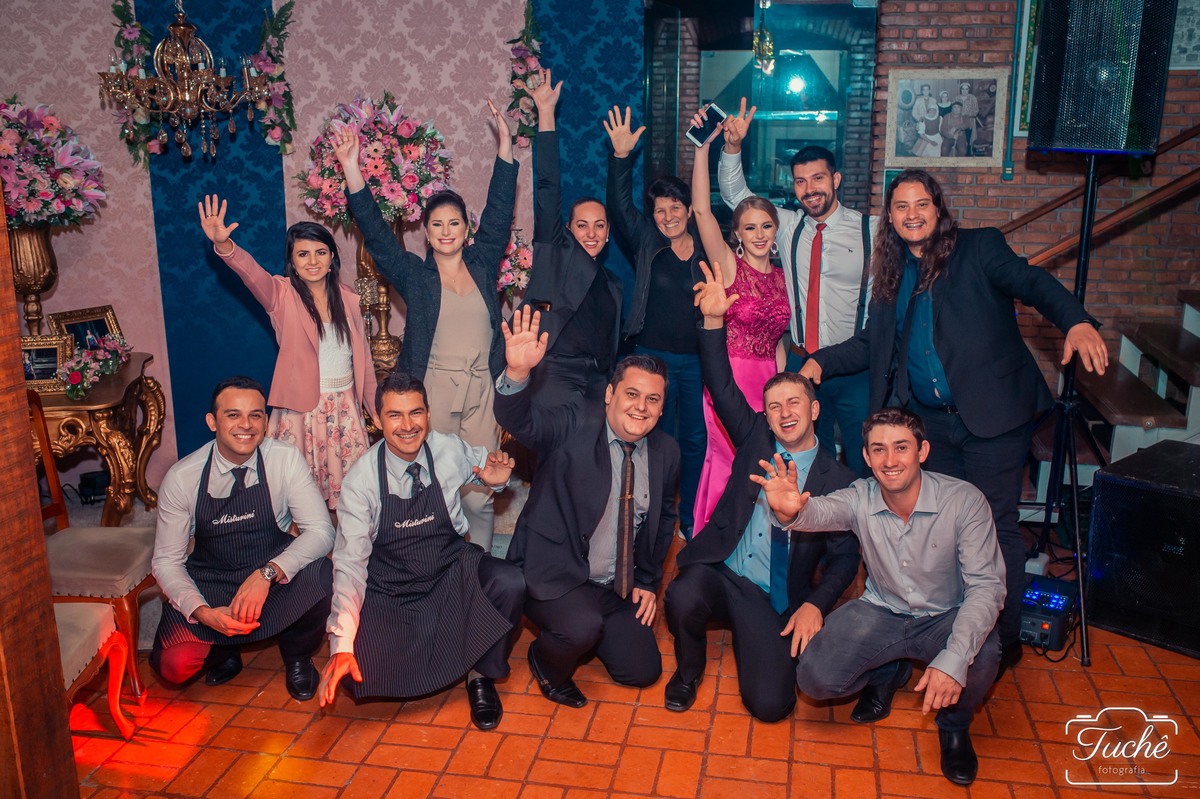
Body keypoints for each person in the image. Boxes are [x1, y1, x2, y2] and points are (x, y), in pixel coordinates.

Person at [800, 169, 1109, 678]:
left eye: (922, 204)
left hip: (993, 417)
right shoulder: (890, 273)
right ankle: (943, 626)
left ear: (938, 209)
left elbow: (1033, 283)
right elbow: (873, 343)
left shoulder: (979, 248)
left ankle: (1002, 639)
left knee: (995, 526)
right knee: (937, 527)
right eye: (901, 206)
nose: (912, 214)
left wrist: (1075, 320)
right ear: (889, 217)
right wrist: (820, 361)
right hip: (931, 425)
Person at [762, 407, 1004, 786]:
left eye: (901, 447)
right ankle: (890, 670)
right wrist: (790, 512)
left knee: (983, 655)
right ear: (866, 456)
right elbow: (821, 511)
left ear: (922, 451)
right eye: (879, 449)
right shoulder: (861, 496)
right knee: (814, 677)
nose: (890, 460)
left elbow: (987, 587)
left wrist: (954, 658)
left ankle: (954, 725)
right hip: (881, 611)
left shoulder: (964, 501)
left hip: (946, 616)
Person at [662, 260, 859, 722]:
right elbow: (719, 382)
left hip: (771, 594)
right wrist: (713, 321)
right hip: (724, 568)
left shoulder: (840, 480)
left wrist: (815, 604)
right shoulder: (754, 438)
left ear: (814, 410)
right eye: (774, 407)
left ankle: (751, 638)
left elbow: (845, 560)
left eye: (794, 403)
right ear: (765, 416)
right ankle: (688, 670)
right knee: (682, 596)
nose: (784, 413)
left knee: (771, 705)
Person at [335, 100, 517, 553]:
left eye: (455, 222)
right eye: (438, 224)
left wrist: (506, 146)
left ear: (466, 229)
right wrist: (352, 168)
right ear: (427, 232)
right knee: (432, 485)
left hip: (482, 393)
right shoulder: (415, 276)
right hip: (431, 393)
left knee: (479, 490)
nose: (447, 230)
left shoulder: (482, 262)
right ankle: (433, 563)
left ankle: (476, 570)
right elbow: (377, 235)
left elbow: (499, 211)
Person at [496, 306, 680, 708]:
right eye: (632, 394)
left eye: (653, 399)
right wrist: (517, 374)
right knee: (580, 628)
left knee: (642, 671)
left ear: (662, 407)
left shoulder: (665, 451)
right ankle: (546, 661)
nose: (641, 407)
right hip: (555, 571)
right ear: (610, 394)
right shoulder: (575, 422)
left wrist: (648, 582)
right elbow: (523, 422)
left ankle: (586, 632)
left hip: (615, 585)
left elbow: (664, 519)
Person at [319, 372, 524, 731]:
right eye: (395, 415)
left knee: (509, 581)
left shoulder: (449, 449)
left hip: (450, 569)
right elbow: (350, 565)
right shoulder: (361, 480)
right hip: (393, 586)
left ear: (428, 414)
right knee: (357, 673)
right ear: (378, 420)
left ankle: (481, 676)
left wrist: (498, 479)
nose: (408, 425)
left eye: (416, 412)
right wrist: (342, 645)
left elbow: (488, 467)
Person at [150, 376, 334, 700]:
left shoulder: (284, 459)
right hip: (212, 582)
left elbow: (321, 530)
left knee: (323, 575)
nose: (246, 425)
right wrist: (202, 611)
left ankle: (297, 656)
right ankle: (223, 652)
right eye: (233, 414)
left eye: (255, 415)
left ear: (265, 422)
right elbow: (166, 562)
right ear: (212, 422)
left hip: (272, 579)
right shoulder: (182, 477)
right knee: (173, 665)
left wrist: (267, 573)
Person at [719, 99, 874, 477]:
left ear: (836, 180)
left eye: (818, 179)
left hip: (854, 369)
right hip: (801, 362)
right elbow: (736, 197)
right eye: (801, 181)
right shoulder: (788, 226)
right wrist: (733, 147)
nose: (809, 189)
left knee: (861, 459)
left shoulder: (870, 230)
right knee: (806, 463)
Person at [199, 198, 377, 511]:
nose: (313, 261)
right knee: (300, 499)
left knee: (352, 496)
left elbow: (364, 360)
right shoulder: (281, 295)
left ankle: (346, 540)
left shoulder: (348, 298)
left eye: (320, 252)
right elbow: (252, 275)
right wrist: (225, 245)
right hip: (302, 413)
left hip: (345, 409)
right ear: (292, 262)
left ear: (332, 257)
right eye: (303, 254)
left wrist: (375, 408)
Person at [605, 104, 708, 537]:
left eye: (675, 207)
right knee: (652, 440)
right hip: (651, 360)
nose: (668, 216)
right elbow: (618, 206)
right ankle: (649, 517)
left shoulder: (708, 245)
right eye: (660, 210)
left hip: (699, 361)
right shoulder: (647, 240)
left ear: (689, 209)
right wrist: (620, 157)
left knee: (696, 441)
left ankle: (690, 518)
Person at [690, 106, 790, 534]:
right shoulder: (730, 267)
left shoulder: (783, 278)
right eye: (750, 228)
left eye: (766, 226)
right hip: (728, 379)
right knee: (728, 459)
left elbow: (779, 337)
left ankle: (754, 544)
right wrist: (703, 148)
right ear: (737, 235)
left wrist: (785, 385)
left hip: (770, 382)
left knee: (762, 463)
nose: (760, 235)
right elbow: (701, 212)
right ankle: (713, 539)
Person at [518, 69, 622, 412]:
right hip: (556, 378)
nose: (591, 233)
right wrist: (546, 114)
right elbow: (548, 187)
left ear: (608, 233)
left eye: (599, 226)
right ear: (567, 228)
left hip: (598, 385)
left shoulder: (613, 284)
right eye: (582, 225)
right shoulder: (555, 254)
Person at [957, 82, 980, 155]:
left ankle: (969, 154)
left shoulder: (973, 98)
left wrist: (967, 115)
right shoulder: (957, 98)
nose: (964, 91)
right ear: (960, 90)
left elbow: (976, 110)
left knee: (969, 139)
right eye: (963, 89)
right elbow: (954, 109)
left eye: (966, 89)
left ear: (968, 90)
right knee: (960, 138)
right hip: (959, 121)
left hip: (970, 121)